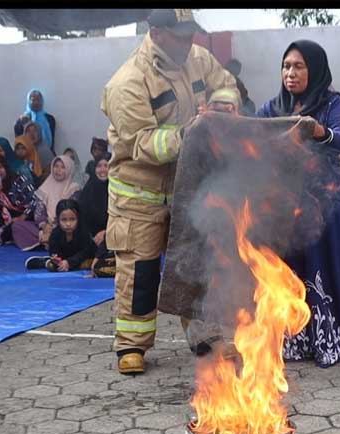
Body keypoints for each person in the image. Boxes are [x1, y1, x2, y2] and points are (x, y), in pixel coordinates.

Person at [101, 8, 238, 374]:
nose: (188, 40)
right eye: (180, 34)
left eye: (191, 32)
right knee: (140, 271)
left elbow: (224, 81)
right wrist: (189, 134)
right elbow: (142, 143)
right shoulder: (127, 81)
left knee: (194, 264)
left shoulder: (197, 57)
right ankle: (131, 346)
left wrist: (225, 103)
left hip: (185, 186)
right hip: (139, 195)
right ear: (157, 33)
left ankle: (205, 336)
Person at [257, 40, 340, 367]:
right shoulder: (272, 108)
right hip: (285, 207)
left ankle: (328, 339)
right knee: (287, 271)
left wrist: (319, 131)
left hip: (324, 205)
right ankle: (292, 340)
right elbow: (250, 136)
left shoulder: (331, 102)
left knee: (323, 268)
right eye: (286, 66)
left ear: (315, 69)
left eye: (299, 66)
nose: (290, 73)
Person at [12, 155, 81, 250]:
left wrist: (54, 226)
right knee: (17, 226)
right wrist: (44, 226)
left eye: (62, 167)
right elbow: (39, 212)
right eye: (56, 166)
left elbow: (72, 213)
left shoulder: (74, 188)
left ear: (69, 169)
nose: (58, 170)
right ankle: (47, 240)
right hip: (46, 226)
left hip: (64, 226)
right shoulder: (45, 186)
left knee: (71, 231)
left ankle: (48, 240)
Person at [25, 198, 96, 272]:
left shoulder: (84, 232)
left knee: (89, 264)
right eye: (64, 220)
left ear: (78, 219)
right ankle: (46, 262)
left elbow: (84, 252)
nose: (68, 224)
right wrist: (56, 259)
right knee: (54, 266)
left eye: (72, 219)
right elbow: (54, 250)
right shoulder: (56, 234)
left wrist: (69, 262)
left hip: (83, 259)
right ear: (58, 219)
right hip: (63, 260)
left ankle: (47, 263)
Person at [0, 155, 35, 245]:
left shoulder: (19, 179)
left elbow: (35, 200)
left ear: (6, 168)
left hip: (24, 216)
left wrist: (23, 216)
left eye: (0, 167)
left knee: (14, 227)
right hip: (6, 218)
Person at [78, 152, 115, 277]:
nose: (103, 170)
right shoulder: (88, 189)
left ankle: (95, 263)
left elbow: (120, 217)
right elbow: (81, 217)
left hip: (112, 236)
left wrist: (106, 232)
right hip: (91, 239)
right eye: (99, 166)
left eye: (107, 165)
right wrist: (91, 235)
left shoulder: (117, 191)